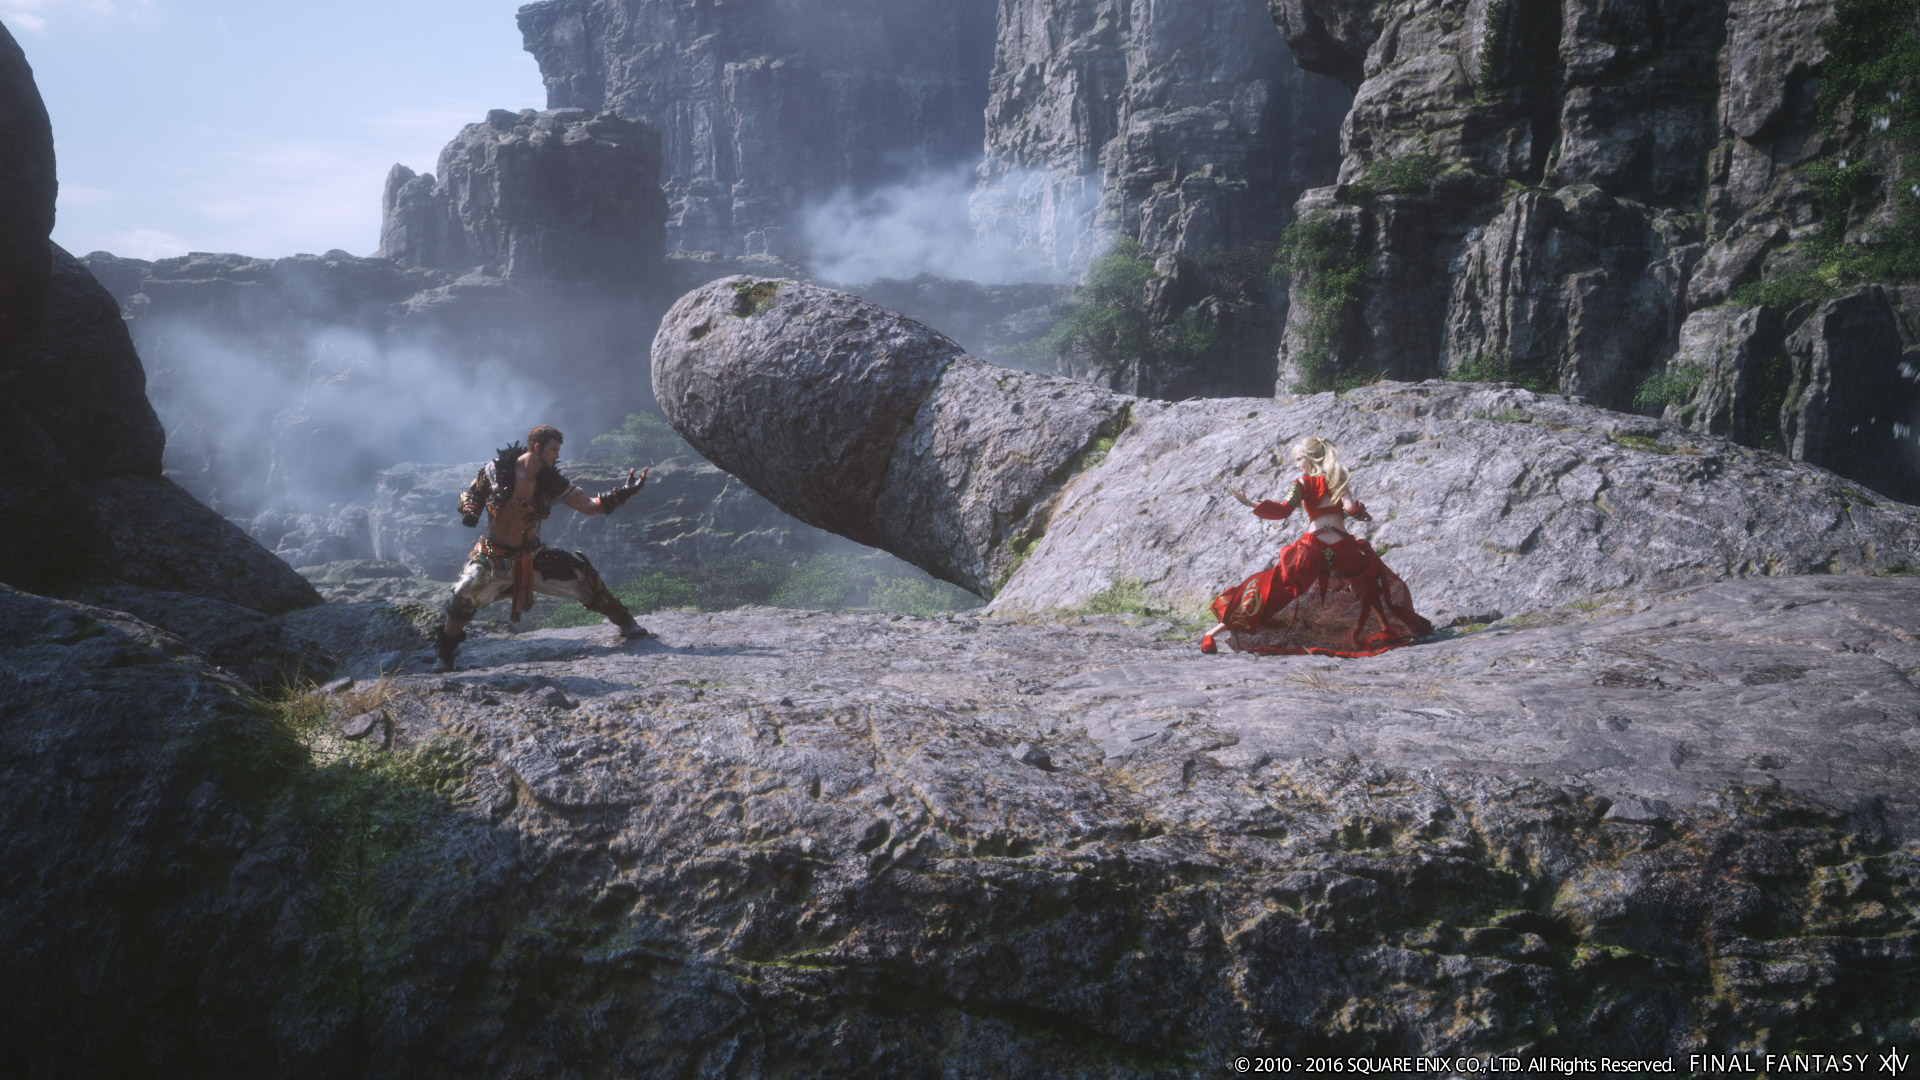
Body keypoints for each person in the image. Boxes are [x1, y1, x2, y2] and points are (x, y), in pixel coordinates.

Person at [433, 424, 651, 671]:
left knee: (581, 576)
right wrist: (470, 509)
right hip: (491, 556)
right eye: (553, 449)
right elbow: (474, 492)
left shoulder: (552, 482)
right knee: (463, 593)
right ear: (537, 447)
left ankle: (626, 622)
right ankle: (445, 654)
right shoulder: (498, 470)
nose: (557, 455)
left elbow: (590, 506)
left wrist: (622, 494)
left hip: (529, 557)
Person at [1201, 435, 1432, 656]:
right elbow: (1351, 508)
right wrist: (1360, 511)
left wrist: (1249, 502)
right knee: (1370, 577)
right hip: (1343, 548)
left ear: (1312, 458)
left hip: (1311, 549)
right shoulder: (1338, 477)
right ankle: (1391, 628)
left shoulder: (1302, 483)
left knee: (1273, 588)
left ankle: (1212, 634)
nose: (1297, 464)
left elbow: (1282, 510)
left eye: (1299, 459)